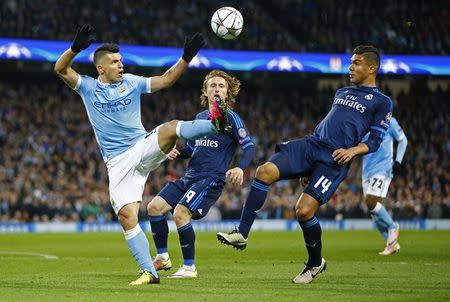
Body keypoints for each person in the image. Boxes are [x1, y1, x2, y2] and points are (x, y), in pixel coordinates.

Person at [54, 24, 231, 285]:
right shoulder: (88, 87)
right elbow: (60, 69)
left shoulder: (133, 82)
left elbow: (168, 79)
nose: (120, 65)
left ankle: (215, 122)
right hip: (117, 162)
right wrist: (74, 49)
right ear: (101, 68)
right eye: (114, 62)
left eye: (121, 60)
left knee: (171, 127)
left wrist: (186, 57)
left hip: (142, 145)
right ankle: (150, 271)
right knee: (127, 216)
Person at [217, 45, 393, 284]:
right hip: (312, 145)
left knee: (304, 210)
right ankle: (242, 233)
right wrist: (307, 167)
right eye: (351, 62)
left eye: (357, 63)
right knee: (264, 171)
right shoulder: (341, 92)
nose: (350, 67)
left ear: (372, 68)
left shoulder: (382, 102)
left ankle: (315, 263)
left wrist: (352, 151)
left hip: (335, 159)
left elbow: (374, 141)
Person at [147, 70, 254, 278]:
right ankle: (162, 257)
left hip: (210, 179)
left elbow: (248, 147)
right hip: (190, 177)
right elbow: (194, 148)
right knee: (154, 207)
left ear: (228, 93)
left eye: (221, 86)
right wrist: (177, 152)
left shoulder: (231, 118)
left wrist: (240, 166)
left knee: (180, 213)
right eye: (212, 85)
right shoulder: (200, 118)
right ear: (205, 91)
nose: (217, 88)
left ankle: (189, 267)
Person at [362, 116, 407, 255]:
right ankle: (391, 244)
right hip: (366, 170)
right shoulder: (363, 121)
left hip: (383, 167)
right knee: (374, 212)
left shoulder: (389, 121)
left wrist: (398, 161)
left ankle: (393, 227)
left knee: (370, 201)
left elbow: (403, 140)